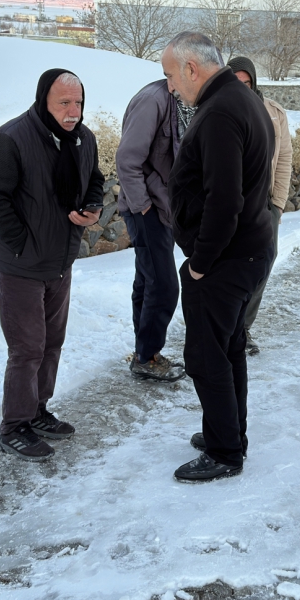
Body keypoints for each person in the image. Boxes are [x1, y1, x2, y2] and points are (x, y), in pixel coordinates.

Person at [0, 69, 105, 461]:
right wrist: (22, 245)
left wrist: (93, 207)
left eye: (78, 102)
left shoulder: (84, 139)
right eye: (64, 103)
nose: (72, 111)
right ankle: (14, 426)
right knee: (27, 348)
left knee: (52, 343)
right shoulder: (9, 139)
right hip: (19, 266)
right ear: (43, 100)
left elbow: (93, 179)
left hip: (59, 261)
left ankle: (38, 410)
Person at [163, 32, 274, 482]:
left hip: (226, 258)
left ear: (192, 68)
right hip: (247, 250)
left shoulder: (221, 112)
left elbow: (224, 199)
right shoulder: (240, 99)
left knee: (207, 356)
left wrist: (201, 261)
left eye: (171, 76)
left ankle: (225, 451)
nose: (171, 86)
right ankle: (228, 432)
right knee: (228, 349)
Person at [116, 78, 187, 383]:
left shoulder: (183, 101)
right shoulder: (153, 100)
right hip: (146, 208)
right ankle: (146, 356)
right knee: (164, 284)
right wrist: (143, 206)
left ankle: (145, 353)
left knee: (147, 280)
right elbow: (127, 159)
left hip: (163, 207)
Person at [226, 55, 293, 357]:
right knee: (229, 267)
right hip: (230, 206)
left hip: (264, 206)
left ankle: (242, 327)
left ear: (254, 83)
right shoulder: (218, 111)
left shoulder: (274, 114)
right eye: (235, 82)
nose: (242, 88)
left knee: (263, 264)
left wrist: (277, 204)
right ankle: (224, 325)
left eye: (247, 83)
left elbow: (284, 160)